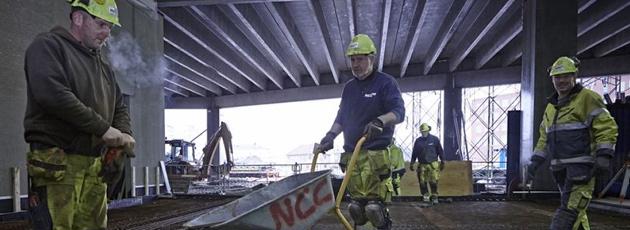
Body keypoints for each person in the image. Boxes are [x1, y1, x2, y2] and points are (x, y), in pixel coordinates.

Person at [23, 0, 134, 229]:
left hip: (95, 167)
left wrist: (124, 135)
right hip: (59, 163)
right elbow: (53, 95)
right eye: (101, 24)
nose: (106, 33)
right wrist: (104, 129)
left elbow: (120, 105)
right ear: (78, 18)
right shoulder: (48, 46)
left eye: (110, 27)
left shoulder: (103, 68)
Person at [318, 34, 405, 229]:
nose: (355, 64)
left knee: (374, 209)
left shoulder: (385, 83)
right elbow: (342, 117)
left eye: (360, 59)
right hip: (353, 156)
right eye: (353, 60)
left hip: (376, 156)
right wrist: (330, 135)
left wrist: (380, 121)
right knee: (356, 209)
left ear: (371, 59)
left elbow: (399, 112)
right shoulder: (349, 88)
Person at [526, 56, 618, 229]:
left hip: (582, 170)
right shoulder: (551, 107)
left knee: (568, 215)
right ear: (552, 79)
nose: (562, 81)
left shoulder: (588, 98)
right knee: (576, 213)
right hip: (560, 171)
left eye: (566, 76)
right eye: (557, 77)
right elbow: (544, 137)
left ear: (574, 76)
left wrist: (604, 154)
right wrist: (535, 162)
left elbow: (606, 126)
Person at [409, 123, 444, 205]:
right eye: (422, 132)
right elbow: (414, 153)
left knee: (433, 181)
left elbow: (440, 151)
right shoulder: (418, 141)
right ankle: (425, 196)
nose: (423, 133)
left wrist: (443, 161)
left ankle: (434, 196)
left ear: (428, 131)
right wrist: (412, 163)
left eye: (425, 131)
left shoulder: (435, 139)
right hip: (422, 164)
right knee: (422, 182)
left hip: (433, 164)